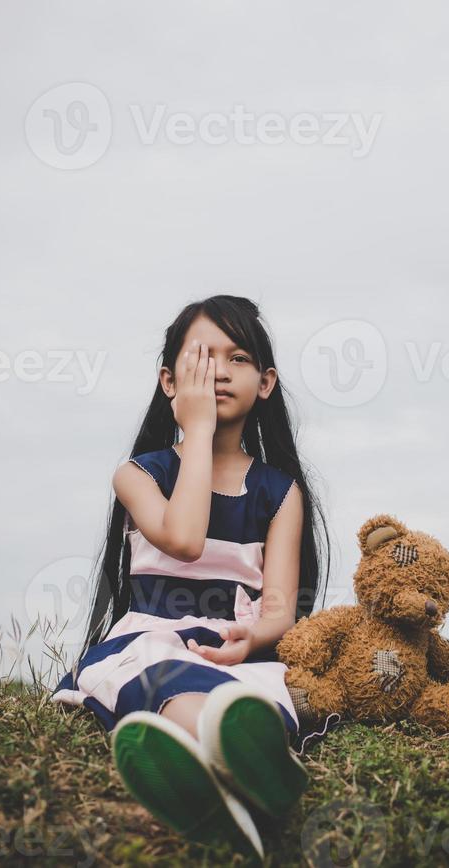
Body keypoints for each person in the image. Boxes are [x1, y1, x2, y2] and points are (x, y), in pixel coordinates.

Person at [51, 294, 333, 860]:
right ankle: (236, 778)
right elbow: (184, 538)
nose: (219, 373)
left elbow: (279, 606)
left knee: (253, 703)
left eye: (237, 359)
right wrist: (198, 433)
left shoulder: (279, 492)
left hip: (233, 650)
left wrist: (253, 637)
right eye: (201, 359)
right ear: (169, 382)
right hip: (150, 638)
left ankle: (242, 775)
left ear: (266, 382)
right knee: (167, 683)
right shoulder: (138, 475)